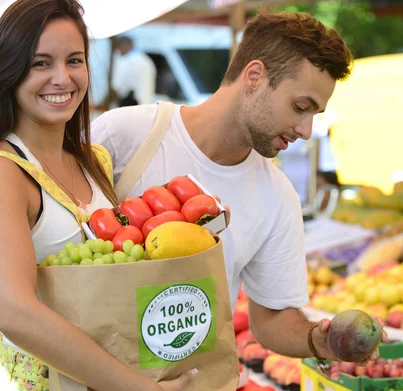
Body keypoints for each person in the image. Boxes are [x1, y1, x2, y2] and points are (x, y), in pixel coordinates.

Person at [92, 11, 386, 363]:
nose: (306, 130)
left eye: (314, 115)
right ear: (255, 76)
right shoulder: (122, 135)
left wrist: (317, 340)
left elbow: (271, 319)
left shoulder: (278, 197)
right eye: (300, 107)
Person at [0, 0, 196, 391]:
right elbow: (14, 312)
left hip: (105, 383)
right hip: (43, 389)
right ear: (8, 71)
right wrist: (138, 390)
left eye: (74, 60)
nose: (62, 78)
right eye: (40, 63)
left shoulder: (94, 161)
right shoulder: (0, 171)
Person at [110, 35, 157, 107]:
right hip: (147, 106)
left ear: (124, 45)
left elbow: (116, 86)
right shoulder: (146, 60)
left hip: (130, 106)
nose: (117, 51)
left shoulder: (124, 61)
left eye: (118, 47)